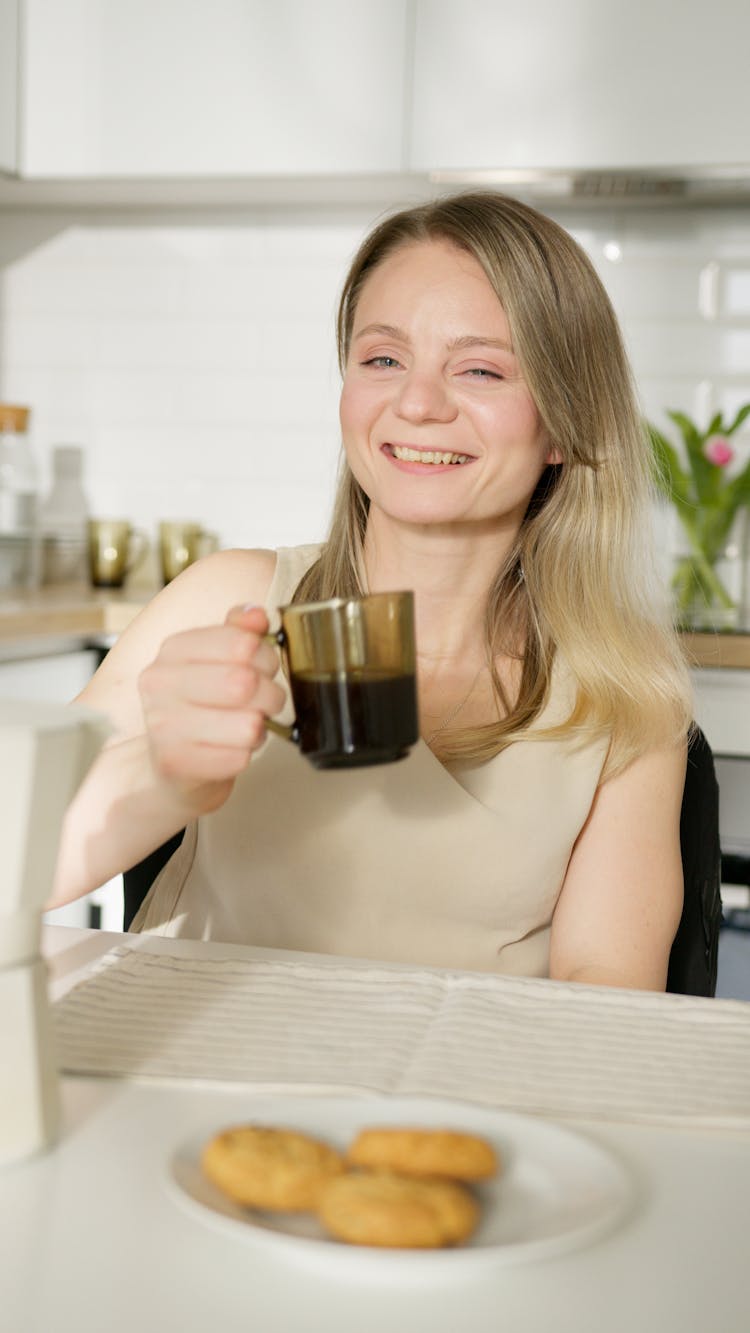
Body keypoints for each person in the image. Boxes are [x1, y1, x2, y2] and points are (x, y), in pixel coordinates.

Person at [51, 191, 692, 989]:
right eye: (383, 359)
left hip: (465, 1102)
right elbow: (18, 864)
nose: (416, 403)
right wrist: (162, 776)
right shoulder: (235, 600)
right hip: (196, 1089)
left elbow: (605, 987)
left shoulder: (625, 692)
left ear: (563, 423)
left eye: (481, 368)